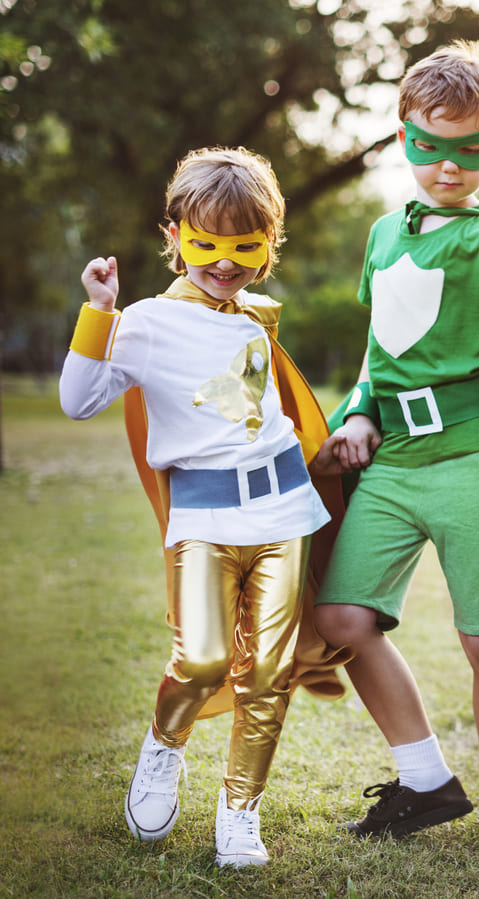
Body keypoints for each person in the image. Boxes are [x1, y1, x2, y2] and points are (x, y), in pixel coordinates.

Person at [312, 41, 479, 849]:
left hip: (476, 453)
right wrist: (357, 412)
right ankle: (425, 781)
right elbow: (377, 350)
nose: (450, 168)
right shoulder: (384, 234)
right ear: (403, 139)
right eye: (432, 147)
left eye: (471, 150)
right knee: (342, 616)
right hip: (392, 458)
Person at [60, 146, 347, 867]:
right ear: (175, 236)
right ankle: (163, 747)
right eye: (207, 243)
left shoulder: (255, 321)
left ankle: (240, 814)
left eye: (246, 245)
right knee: (203, 660)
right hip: (204, 519)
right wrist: (99, 313)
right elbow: (78, 400)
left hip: (282, 513)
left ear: (268, 245)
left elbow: (256, 413)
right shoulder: (148, 322)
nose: (225, 261)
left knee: (268, 675)